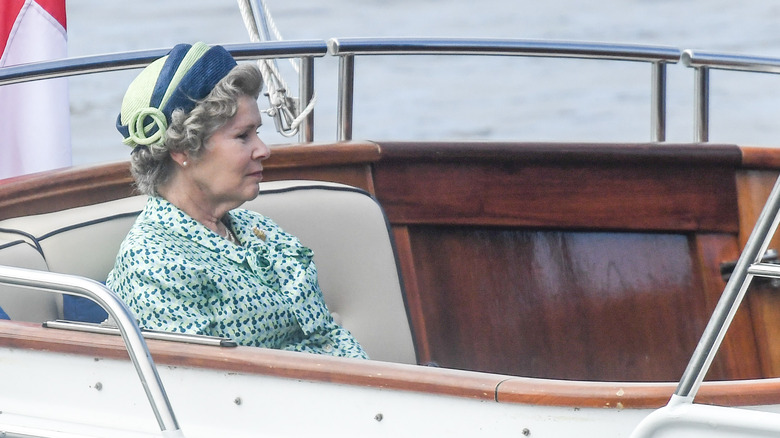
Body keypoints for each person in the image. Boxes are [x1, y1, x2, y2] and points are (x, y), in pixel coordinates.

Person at [107, 42, 367, 359]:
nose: (263, 150)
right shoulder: (152, 263)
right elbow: (208, 389)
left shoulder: (254, 229)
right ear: (183, 149)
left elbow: (327, 335)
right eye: (243, 136)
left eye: (257, 132)